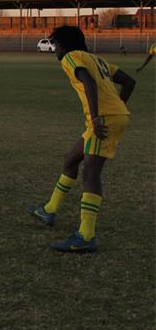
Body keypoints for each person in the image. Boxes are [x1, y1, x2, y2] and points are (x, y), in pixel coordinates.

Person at [27, 26, 136, 253]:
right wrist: (117, 107)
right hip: (108, 116)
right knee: (70, 159)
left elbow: (89, 83)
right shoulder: (97, 60)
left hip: (102, 119)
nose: (55, 49)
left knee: (91, 173)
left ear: (64, 44)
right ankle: (49, 210)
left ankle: (86, 235)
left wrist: (98, 117)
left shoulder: (70, 58)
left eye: (56, 44)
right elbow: (129, 82)